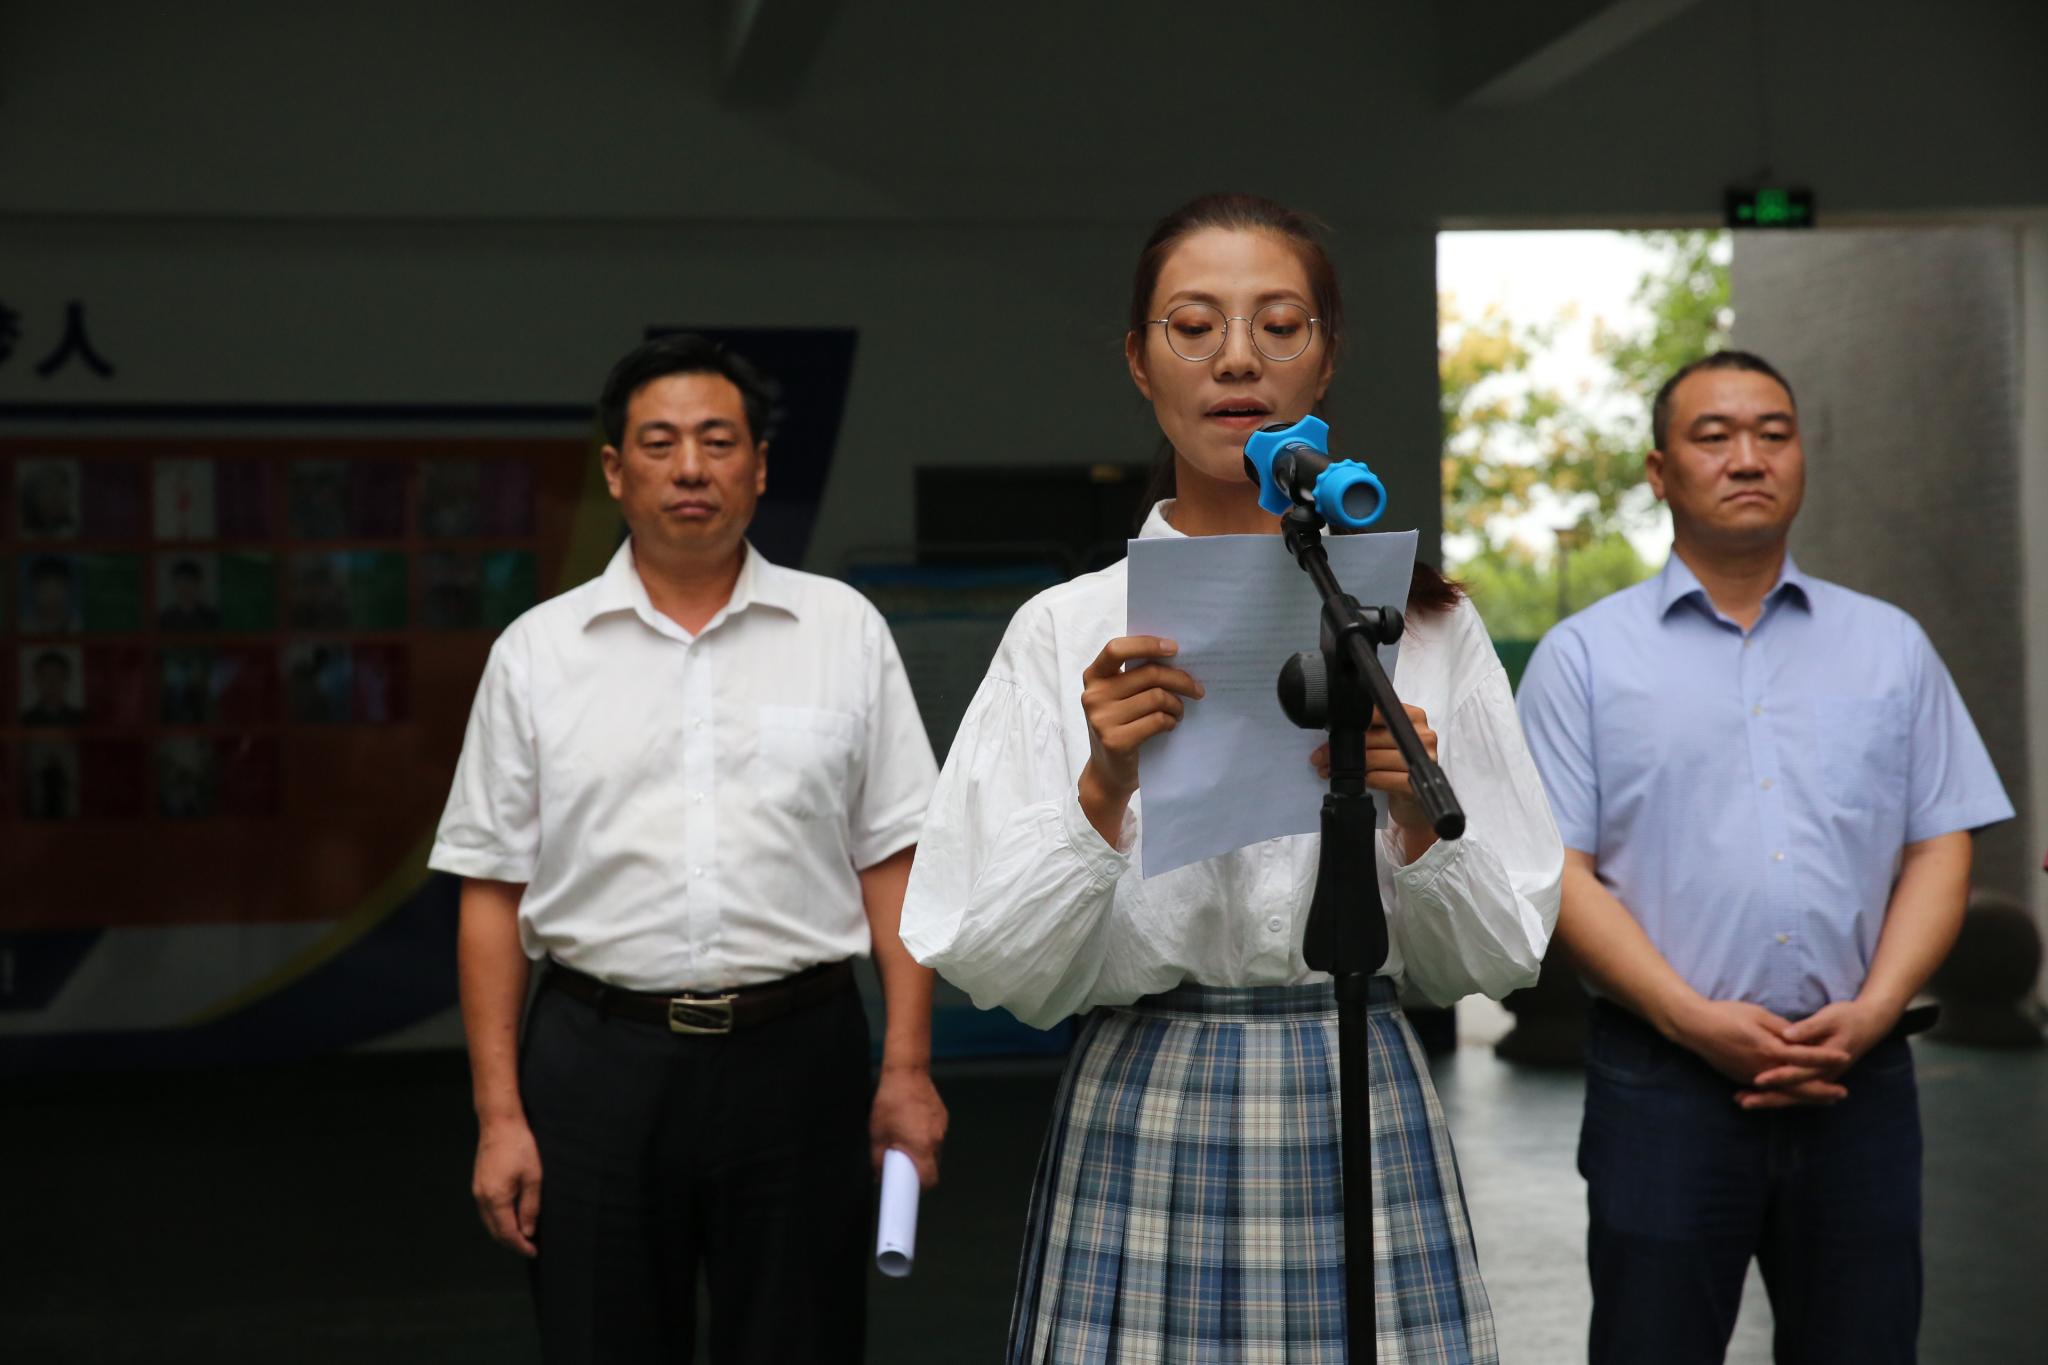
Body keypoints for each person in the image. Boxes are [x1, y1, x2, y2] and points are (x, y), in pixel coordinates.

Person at [900, 193, 1562, 1364]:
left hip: (1357, 1081)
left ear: (1326, 357)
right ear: (1138, 363)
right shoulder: (1066, 629)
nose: (1237, 360)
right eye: (1193, 327)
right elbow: (991, 963)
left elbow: (1499, 954)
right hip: (1146, 1086)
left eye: (1279, 325)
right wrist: (1102, 786)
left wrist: (1413, 813)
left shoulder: (1419, 623)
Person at [430, 333, 946, 1364]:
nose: (690, 468)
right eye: (659, 444)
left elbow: (893, 862)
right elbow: (492, 891)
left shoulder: (841, 630)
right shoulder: (538, 652)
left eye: (718, 441)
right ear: (615, 472)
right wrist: (499, 1116)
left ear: (759, 465)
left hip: (800, 1059)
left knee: (801, 1342)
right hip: (594, 1064)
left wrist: (907, 1067)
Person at [1514, 351, 2014, 1365]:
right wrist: (1687, 1017)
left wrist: (1874, 1010)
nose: (1748, 457)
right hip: (1661, 1085)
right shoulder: (1583, 658)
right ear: (1660, 472)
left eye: (1772, 434)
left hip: (1858, 1080)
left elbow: (1938, 844)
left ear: (1799, 457)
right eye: (1713, 436)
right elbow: (1558, 869)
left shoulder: (1890, 646)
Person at [22, 650, 86, 726]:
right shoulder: (25, 721)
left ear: (66, 679)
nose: (51, 682)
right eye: (46, 676)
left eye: (56, 675)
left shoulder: (80, 720)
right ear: (37, 680)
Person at [159, 558, 222, 631]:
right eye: (181, 584)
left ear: (197, 584)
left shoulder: (211, 618)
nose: (185, 589)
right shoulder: (165, 619)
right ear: (174, 585)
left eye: (189, 583)